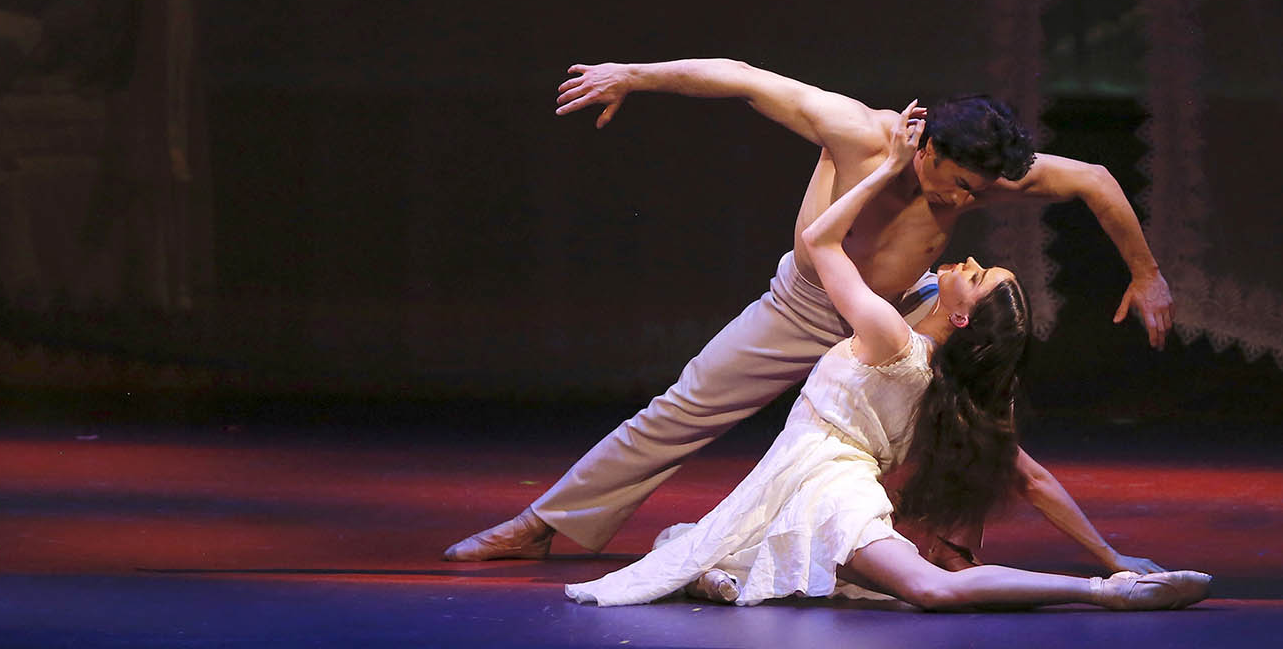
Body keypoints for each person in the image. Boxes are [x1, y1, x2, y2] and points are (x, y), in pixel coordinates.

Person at [446, 58, 1173, 571]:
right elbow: (743, 78)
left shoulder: (982, 176)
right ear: (927, 148)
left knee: (984, 389)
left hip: (896, 311)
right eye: (957, 187)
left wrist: (1146, 274)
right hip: (807, 306)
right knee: (680, 410)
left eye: (980, 194)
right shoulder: (856, 132)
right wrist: (635, 75)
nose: (966, 205)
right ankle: (541, 525)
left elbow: (1098, 180)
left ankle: (953, 540)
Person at [565, 105, 1211, 610]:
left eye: (978, 275)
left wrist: (880, 169)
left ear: (960, 316)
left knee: (926, 590)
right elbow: (1031, 478)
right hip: (823, 451)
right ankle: (1086, 585)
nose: (967, 253)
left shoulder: (885, 333)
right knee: (689, 471)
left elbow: (820, 241)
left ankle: (1096, 595)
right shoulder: (942, 384)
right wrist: (1109, 554)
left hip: (830, 485)